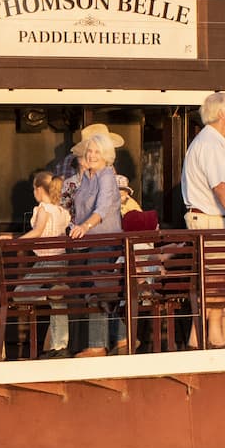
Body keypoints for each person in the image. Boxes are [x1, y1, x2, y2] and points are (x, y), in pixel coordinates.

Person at [182, 91, 225, 349]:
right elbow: (220, 185)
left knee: (217, 284)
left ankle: (211, 338)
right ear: (221, 113)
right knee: (214, 284)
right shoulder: (210, 144)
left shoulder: (211, 141)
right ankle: (200, 340)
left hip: (210, 220)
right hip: (211, 220)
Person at [0, 169, 72, 356]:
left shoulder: (43, 208)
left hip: (46, 261)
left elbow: (38, 231)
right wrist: (13, 236)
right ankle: (60, 345)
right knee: (59, 305)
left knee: (20, 294)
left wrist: (15, 242)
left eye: (34, 189)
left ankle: (48, 295)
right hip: (62, 261)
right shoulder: (61, 211)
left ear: (39, 189)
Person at [67, 129, 123, 356]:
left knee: (102, 291)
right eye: (89, 151)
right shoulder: (87, 177)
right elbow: (80, 209)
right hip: (89, 242)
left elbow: (102, 208)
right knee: (98, 291)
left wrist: (85, 227)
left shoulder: (106, 175)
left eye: (96, 152)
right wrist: (74, 226)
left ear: (106, 154)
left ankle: (100, 344)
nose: (91, 155)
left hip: (104, 241)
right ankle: (119, 340)